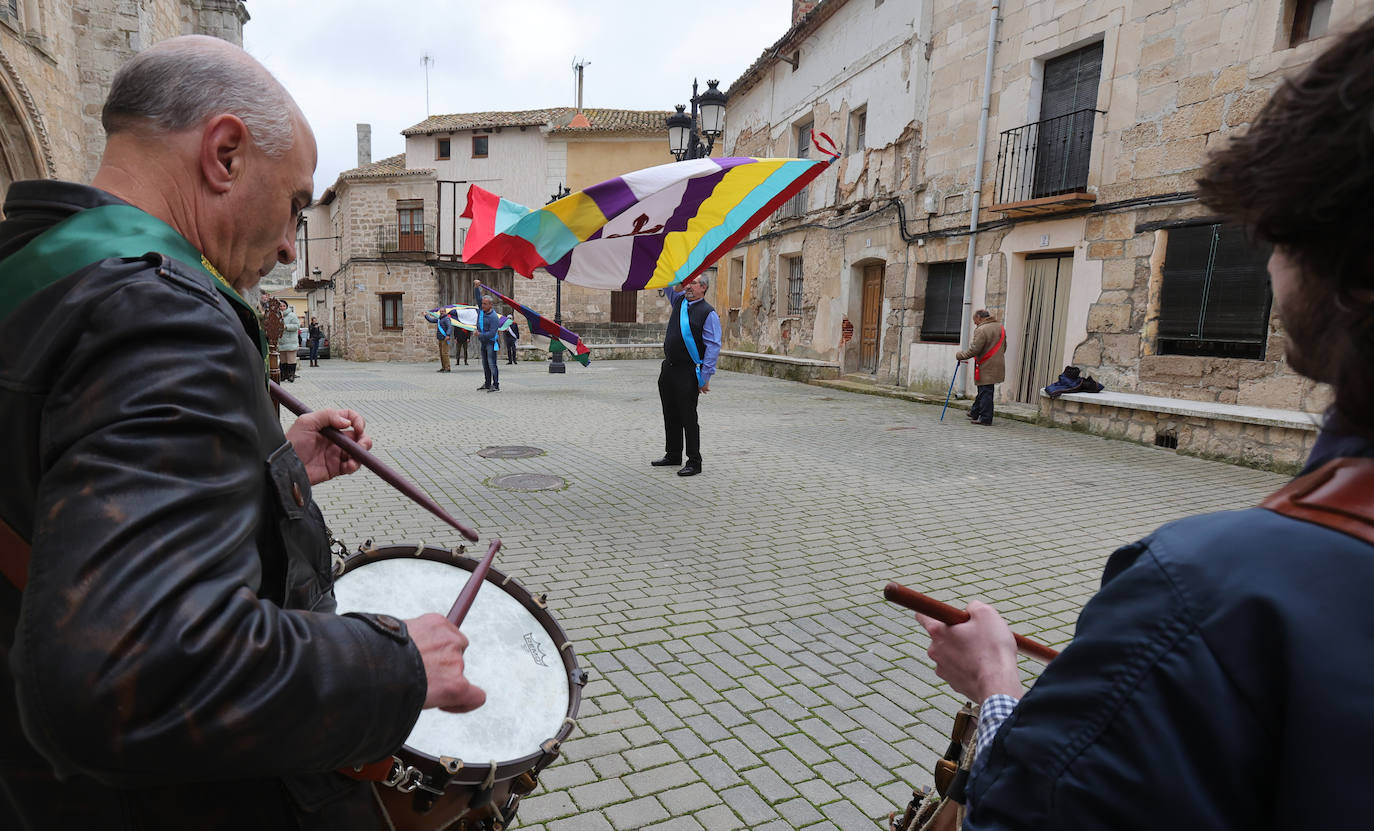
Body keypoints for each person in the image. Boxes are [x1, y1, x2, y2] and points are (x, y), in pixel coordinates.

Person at [0, 36, 485, 829]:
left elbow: (59, 482)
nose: (296, 242)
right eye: (296, 203)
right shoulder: (163, 317)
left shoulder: (33, 270)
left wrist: (267, 465)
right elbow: (126, 671)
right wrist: (395, 663)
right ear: (224, 154)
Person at [913, 15, 1374, 829]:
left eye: (1274, 232)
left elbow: (1032, 811)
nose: (1265, 262)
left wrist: (996, 688)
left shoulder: (1206, 591)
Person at [651, 277, 721, 477]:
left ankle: (694, 461)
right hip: (668, 369)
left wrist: (705, 377)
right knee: (670, 413)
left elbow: (713, 346)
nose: (688, 286)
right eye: (687, 283)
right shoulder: (679, 301)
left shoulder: (708, 313)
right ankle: (673, 454)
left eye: (694, 283)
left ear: (704, 287)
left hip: (688, 371)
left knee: (688, 417)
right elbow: (667, 280)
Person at [954, 309, 1005, 426]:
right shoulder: (1000, 327)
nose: (975, 323)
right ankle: (975, 411)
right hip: (997, 363)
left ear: (979, 317)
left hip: (986, 364)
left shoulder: (981, 330)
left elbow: (975, 349)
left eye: (975, 320)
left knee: (986, 391)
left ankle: (985, 418)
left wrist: (960, 355)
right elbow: (1004, 346)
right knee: (984, 389)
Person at [475, 293, 501, 392]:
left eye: (485, 304)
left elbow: (491, 333)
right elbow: (478, 298)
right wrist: (476, 288)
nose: (482, 305)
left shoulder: (494, 317)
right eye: (482, 303)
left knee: (492, 364)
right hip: (484, 342)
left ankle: (496, 385)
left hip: (491, 342)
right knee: (485, 364)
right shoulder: (482, 311)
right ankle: (487, 383)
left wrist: (479, 334)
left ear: (490, 305)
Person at [278, 301, 300, 382]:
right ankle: (283, 375)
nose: (282, 307)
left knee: (291, 360)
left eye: (284, 306)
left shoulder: (292, 315)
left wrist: (286, 326)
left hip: (291, 341)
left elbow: (297, 326)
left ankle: (291, 375)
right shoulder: (277, 315)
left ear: (287, 307)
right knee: (283, 360)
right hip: (281, 341)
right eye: (280, 306)